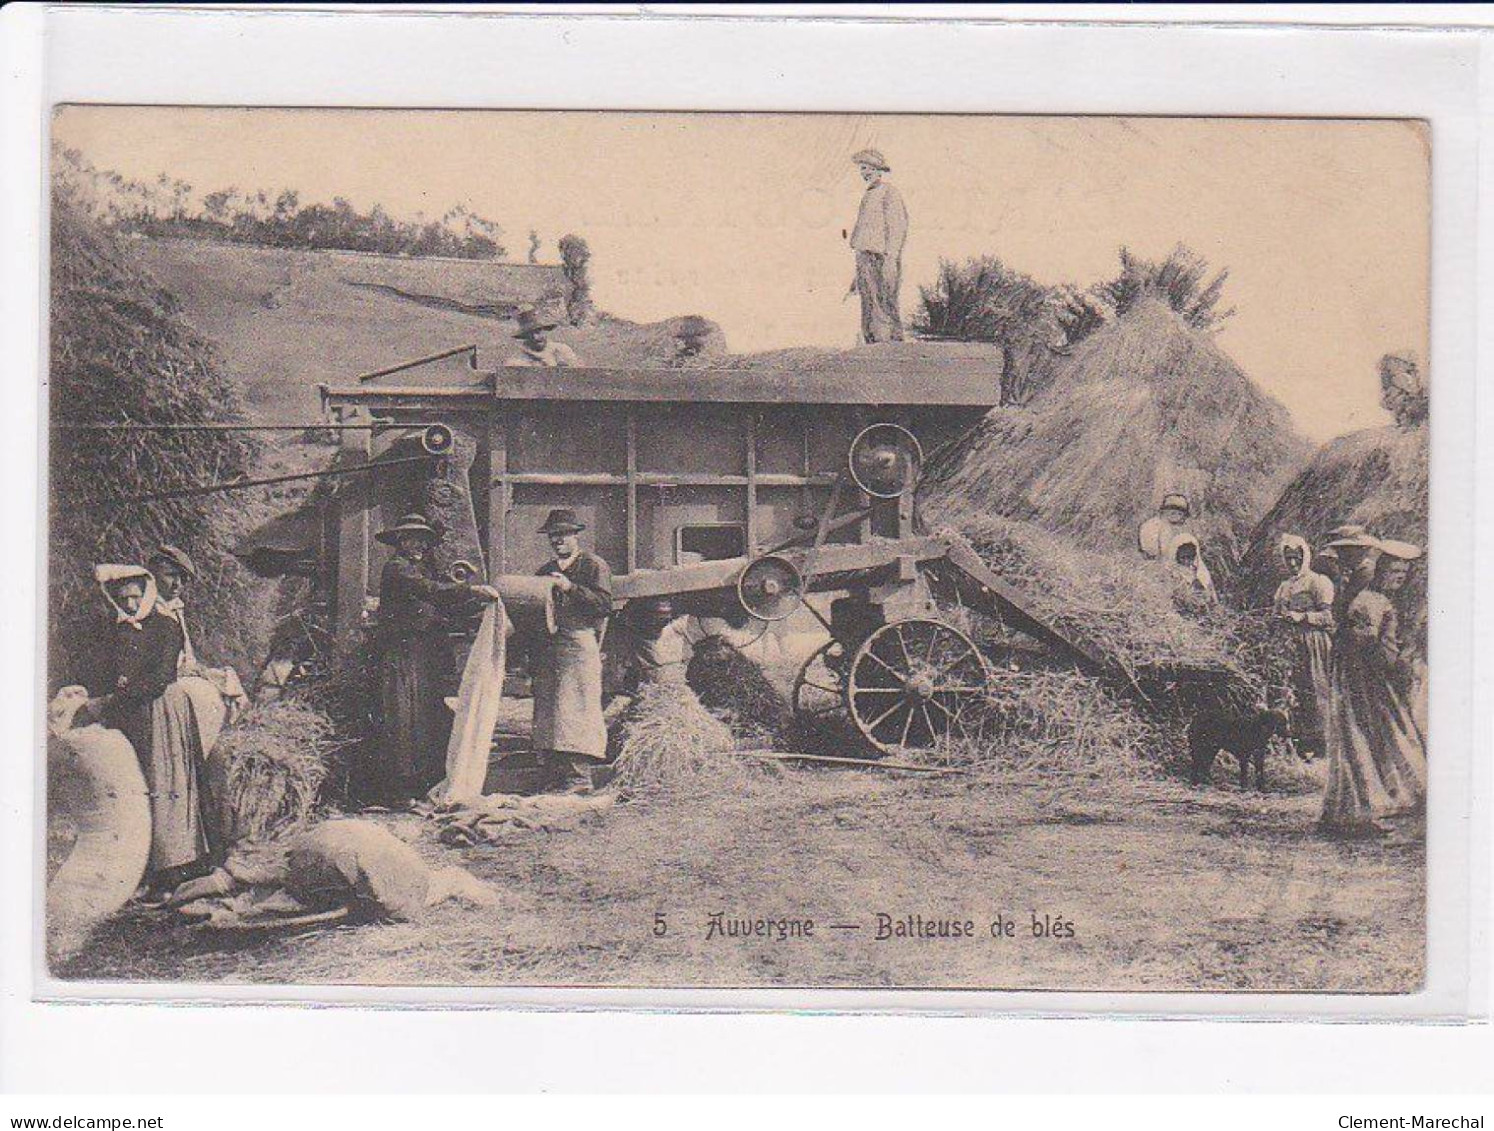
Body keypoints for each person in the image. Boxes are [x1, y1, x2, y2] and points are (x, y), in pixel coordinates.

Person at [81, 564, 210, 897]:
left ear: (147, 595)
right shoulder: (112, 631)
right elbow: (104, 671)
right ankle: (135, 868)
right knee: (132, 785)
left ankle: (170, 870)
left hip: (160, 710)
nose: (130, 605)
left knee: (164, 784)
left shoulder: (166, 627)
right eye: (123, 599)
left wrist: (112, 699)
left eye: (135, 597)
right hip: (128, 711)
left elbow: (160, 676)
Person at [371, 514, 502, 804]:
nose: (417, 544)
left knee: (423, 717)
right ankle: (399, 792)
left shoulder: (418, 568)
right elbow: (429, 591)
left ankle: (419, 784)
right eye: (411, 539)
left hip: (420, 653)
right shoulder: (398, 569)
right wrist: (471, 591)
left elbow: (436, 600)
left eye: (422, 540)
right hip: (401, 654)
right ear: (400, 542)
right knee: (404, 718)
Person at [1320, 540, 1427, 838]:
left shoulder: (1381, 602)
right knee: (1361, 737)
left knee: (1382, 735)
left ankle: (1378, 804)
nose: (1398, 578)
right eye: (1394, 572)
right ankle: (1363, 809)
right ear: (1381, 572)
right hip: (1361, 680)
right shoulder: (1369, 601)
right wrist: (1392, 660)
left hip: (1372, 679)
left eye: (1403, 574)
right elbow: (1364, 645)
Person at [532, 508, 613, 792]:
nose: (558, 541)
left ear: (576, 536)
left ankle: (579, 777)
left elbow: (604, 604)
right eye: (554, 536)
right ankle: (555, 775)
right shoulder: (545, 571)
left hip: (579, 642)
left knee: (578, 707)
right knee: (550, 710)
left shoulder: (593, 565)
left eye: (564, 535)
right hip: (550, 646)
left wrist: (569, 588)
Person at [1272, 533, 1336, 759]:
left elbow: (1328, 617)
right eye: (1288, 558)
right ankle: (1300, 743)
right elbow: (1276, 616)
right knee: (1294, 692)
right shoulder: (1283, 587)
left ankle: (1324, 745)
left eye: (1297, 558)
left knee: (1316, 689)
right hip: (1292, 645)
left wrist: (1304, 617)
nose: (1292, 563)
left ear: (1305, 557)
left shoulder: (1317, 582)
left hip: (1314, 643)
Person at [847, 148, 909, 344]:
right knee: (868, 303)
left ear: (878, 170)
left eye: (868, 168)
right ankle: (872, 344)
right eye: (862, 169)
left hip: (881, 258)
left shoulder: (889, 193)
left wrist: (891, 258)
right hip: (864, 258)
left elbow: (897, 227)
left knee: (884, 303)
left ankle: (889, 346)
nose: (864, 173)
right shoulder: (868, 195)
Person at [148, 544, 199, 673]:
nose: (177, 584)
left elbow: (186, 652)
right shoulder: (145, 606)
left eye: (183, 579)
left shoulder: (175, 606)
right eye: (170, 575)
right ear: (153, 574)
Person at [1323, 524, 1379, 629]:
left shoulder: (1366, 571)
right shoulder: (1346, 569)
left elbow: (1348, 599)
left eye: (1346, 550)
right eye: (1339, 550)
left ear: (1361, 549)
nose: (1340, 554)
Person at [507, 306, 581, 368]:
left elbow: (581, 376)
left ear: (545, 330)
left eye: (538, 331)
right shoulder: (518, 361)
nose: (535, 337)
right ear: (524, 336)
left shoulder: (563, 351)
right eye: (529, 334)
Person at [1167, 533, 1217, 614]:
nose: (1187, 561)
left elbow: (1211, 592)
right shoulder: (1173, 573)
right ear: (1176, 556)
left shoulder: (1200, 571)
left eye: (1190, 557)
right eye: (1183, 557)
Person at [1137, 494, 1193, 561]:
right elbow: (1157, 552)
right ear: (1164, 511)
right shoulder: (1158, 526)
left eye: (1180, 514)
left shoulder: (1163, 524)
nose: (1177, 516)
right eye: (1173, 512)